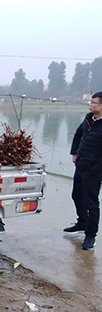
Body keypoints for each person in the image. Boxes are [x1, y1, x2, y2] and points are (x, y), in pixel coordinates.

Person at [63, 91, 102, 250]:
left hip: (94, 170)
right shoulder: (88, 120)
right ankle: (82, 222)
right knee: (76, 195)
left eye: (93, 102)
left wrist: (95, 170)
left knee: (92, 204)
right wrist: (74, 153)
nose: (89, 104)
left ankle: (90, 235)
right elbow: (78, 135)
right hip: (81, 165)